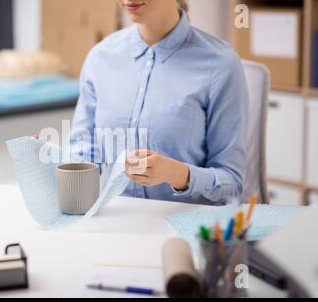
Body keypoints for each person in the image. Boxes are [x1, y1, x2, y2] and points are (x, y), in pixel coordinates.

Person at [68, 0, 248, 205]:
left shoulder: (220, 64)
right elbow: (82, 149)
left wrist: (178, 175)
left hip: (186, 226)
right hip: (117, 220)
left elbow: (232, 181)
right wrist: (51, 163)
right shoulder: (100, 57)